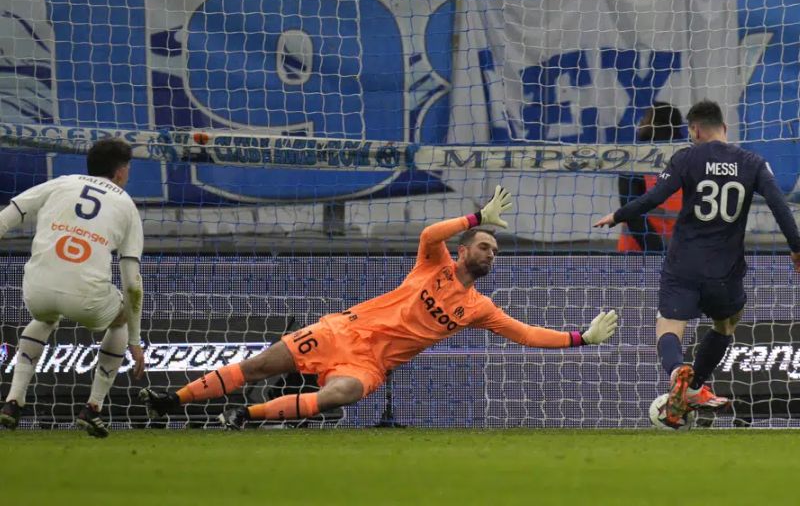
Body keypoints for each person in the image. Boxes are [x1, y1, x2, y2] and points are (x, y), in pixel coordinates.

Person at [140, 186, 619, 428]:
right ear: (465, 248)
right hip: (340, 331)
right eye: (484, 245)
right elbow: (429, 234)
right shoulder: (434, 264)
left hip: (369, 362)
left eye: (495, 250)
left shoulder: (478, 307)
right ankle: (173, 402)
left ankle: (248, 417)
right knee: (261, 363)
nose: (490, 253)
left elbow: (527, 334)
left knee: (339, 397)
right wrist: (474, 216)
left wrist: (580, 338)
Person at [594, 100, 800, 427]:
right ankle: (693, 386)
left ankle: (679, 373)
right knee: (726, 325)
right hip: (726, 268)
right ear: (725, 128)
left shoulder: (687, 157)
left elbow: (654, 197)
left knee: (669, 326)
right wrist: (797, 249)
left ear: (695, 129)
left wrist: (618, 215)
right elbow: (780, 208)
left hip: (684, 262)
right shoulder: (753, 163)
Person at [0, 138, 145, 438]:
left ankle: (13, 401)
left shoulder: (60, 183)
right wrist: (135, 338)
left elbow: (10, 214)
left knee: (45, 317)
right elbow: (132, 283)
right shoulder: (126, 205)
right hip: (87, 299)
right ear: (120, 173)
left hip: (37, 290)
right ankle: (93, 408)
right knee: (120, 318)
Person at [618, 102, 685, 252]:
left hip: (671, 255)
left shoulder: (688, 158)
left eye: (646, 119)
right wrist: (658, 252)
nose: (641, 123)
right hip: (642, 253)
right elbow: (631, 214)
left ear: (658, 124)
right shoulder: (633, 160)